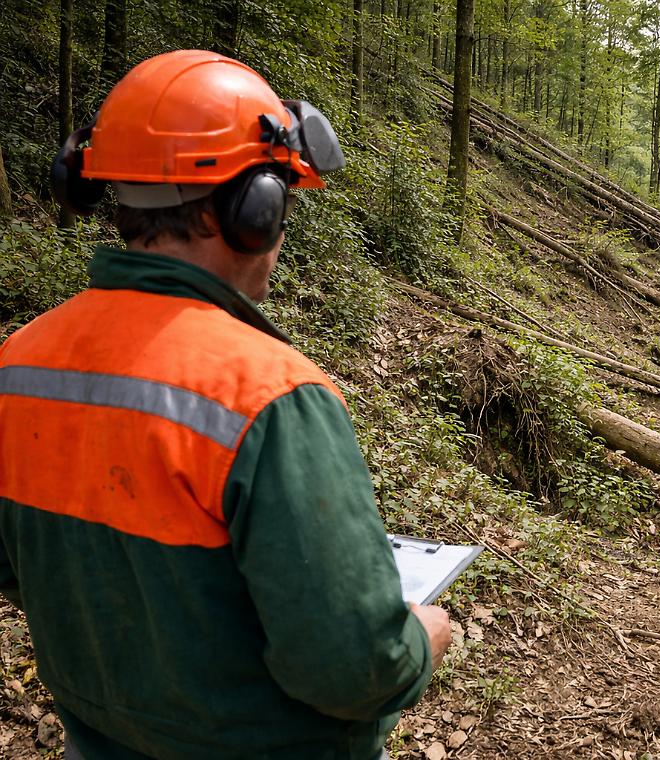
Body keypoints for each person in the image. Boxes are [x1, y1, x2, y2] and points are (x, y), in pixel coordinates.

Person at [0, 50, 451, 759]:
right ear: (251, 212)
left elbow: (25, 570)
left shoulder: (17, 364)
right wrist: (418, 643)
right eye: (281, 207)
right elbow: (349, 669)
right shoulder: (268, 395)